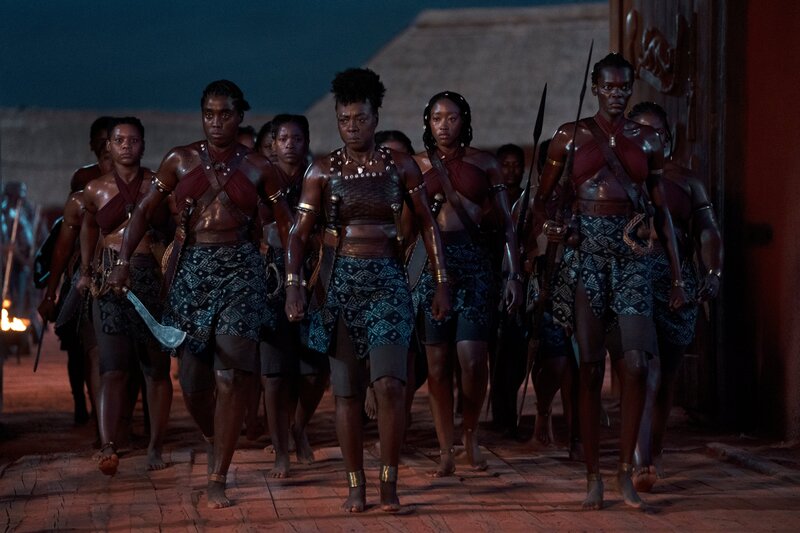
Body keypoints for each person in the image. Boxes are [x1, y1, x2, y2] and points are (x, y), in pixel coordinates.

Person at [107, 80, 292, 509]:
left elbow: (286, 223)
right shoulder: (179, 159)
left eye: (225, 114)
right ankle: (214, 435)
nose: (216, 121)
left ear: (239, 116)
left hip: (241, 270)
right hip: (190, 270)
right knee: (192, 382)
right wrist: (122, 260)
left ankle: (218, 475)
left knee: (230, 375)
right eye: (209, 114)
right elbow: (144, 211)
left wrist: (295, 277)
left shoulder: (259, 166)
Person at [284, 68, 450, 513]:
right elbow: (298, 234)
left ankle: (388, 482)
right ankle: (355, 484)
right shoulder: (322, 170)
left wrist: (441, 282)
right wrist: (294, 286)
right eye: (344, 120)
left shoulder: (401, 166)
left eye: (360, 118)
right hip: (340, 284)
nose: (352, 127)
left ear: (376, 117)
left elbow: (429, 226)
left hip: (388, 283)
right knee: (347, 392)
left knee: (392, 385)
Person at [532, 53, 688, 510]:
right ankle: (593, 476)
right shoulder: (569, 137)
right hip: (586, 256)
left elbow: (660, 210)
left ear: (630, 88)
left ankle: (625, 472)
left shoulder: (648, 140)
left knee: (636, 363)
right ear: (595, 87)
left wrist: (678, 275)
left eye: (624, 87)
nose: (616, 94)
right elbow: (543, 201)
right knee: (589, 368)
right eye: (609, 87)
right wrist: (553, 227)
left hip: (634, 255)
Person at [411, 91, 523, 476]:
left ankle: (470, 435)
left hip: (474, 263)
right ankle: (445, 448)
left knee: (473, 357)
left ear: (465, 121)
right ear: (427, 122)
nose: (444, 125)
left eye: (452, 118)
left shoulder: (485, 163)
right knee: (437, 362)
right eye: (436, 118)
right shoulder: (415, 165)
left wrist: (514, 274)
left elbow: (507, 224)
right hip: (432, 266)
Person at [625, 102, 723, 492]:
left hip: (677, 284)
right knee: (642, 368)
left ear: (669, 138)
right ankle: (639, 458)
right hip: (632, 282)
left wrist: (713, 272)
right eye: (640, 133)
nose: (650, 140)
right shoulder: (616, 180)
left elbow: (707, 230)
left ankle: (656, 448)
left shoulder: (687, 182)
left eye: (658, 133)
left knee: (665, 376)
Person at [77, 117, 173, 475]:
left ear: (143, 145)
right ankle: (108, 445)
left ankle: (155, 446)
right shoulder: (95, 189)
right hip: (108, 281)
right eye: (119, 140)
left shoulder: (157, 185)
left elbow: (173, 227)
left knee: (156, 369)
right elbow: (88, 227)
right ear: (109, 146)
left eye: (133, 140)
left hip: (150, 278)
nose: (126, 146)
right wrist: (85, 271)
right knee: (112, 367)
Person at [259, 113, 329, 477]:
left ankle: (299, 427)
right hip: (269, 278)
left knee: (315, 370)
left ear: (307, 141)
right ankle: (280, 449)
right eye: (283, 138)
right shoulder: (260, 177)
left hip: (315, 276)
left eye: (297, 138)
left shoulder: (318, 177)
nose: (290, 145)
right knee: (274, 373)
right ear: (273, 143)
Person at [38, 116, 114, 427]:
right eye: (102, 142)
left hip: (122, 271)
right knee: (79, 348)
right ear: (93, 145)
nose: (107, 147)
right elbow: (64, 244)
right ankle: (85, 408)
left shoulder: (141, 182)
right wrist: (51, 292)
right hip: (84, 273)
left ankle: (120, 420)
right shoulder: (84, 179)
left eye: (112, 140)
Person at [487, 142, 527, 435]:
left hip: (523, 280)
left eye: (516, 165)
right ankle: (500, 414)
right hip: (494, 279)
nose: (511, 171)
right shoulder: (490, 202)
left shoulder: (529, 201)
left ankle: (508, 411)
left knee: (517, 353)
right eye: (506, 165)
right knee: (496, 351)